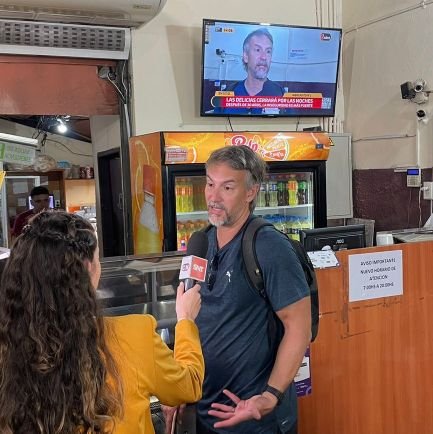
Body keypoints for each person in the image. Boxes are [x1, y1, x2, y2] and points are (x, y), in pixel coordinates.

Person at [0, 210, 204, 434]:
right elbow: (189, 384)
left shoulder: (10, 346)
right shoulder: (135, 335)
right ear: (88, 268)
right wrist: (185, 320)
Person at [196, 145, 311, 433]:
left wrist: (270, 397)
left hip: (256, 421)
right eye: (210, 184)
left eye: (227, 187)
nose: (213, 196)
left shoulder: (269, 247)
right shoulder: (201, 242)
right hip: (206, 414)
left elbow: (299, 327)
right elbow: (192, 319)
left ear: (250, 192)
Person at [218, 28, 284, 115]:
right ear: (246, 56)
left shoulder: (282, 95)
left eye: (268, 51)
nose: (264, 57)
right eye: (258, 50)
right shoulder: (227, 94)